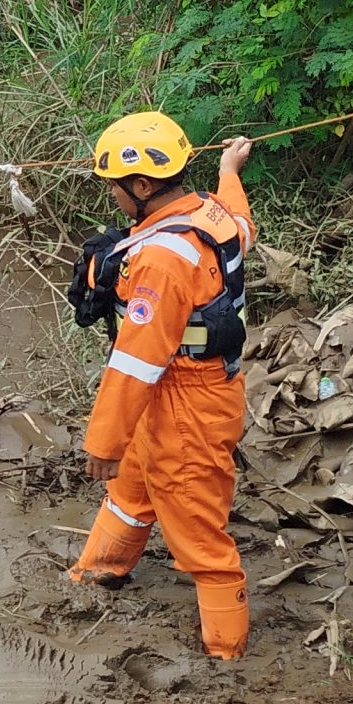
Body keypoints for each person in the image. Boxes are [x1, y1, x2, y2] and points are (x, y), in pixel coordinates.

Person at [66, 113, 258, 660]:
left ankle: (227, 652)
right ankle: (95, 575)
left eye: (116, 187)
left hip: (188, 403)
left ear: (143, 186)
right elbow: (240, 218)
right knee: (130, 493)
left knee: (199, 532)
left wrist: (103, 444)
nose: (114, 198)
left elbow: (135, 362)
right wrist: (229, 169)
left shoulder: (159, 261)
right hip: (176, 397)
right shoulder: (212, 214)